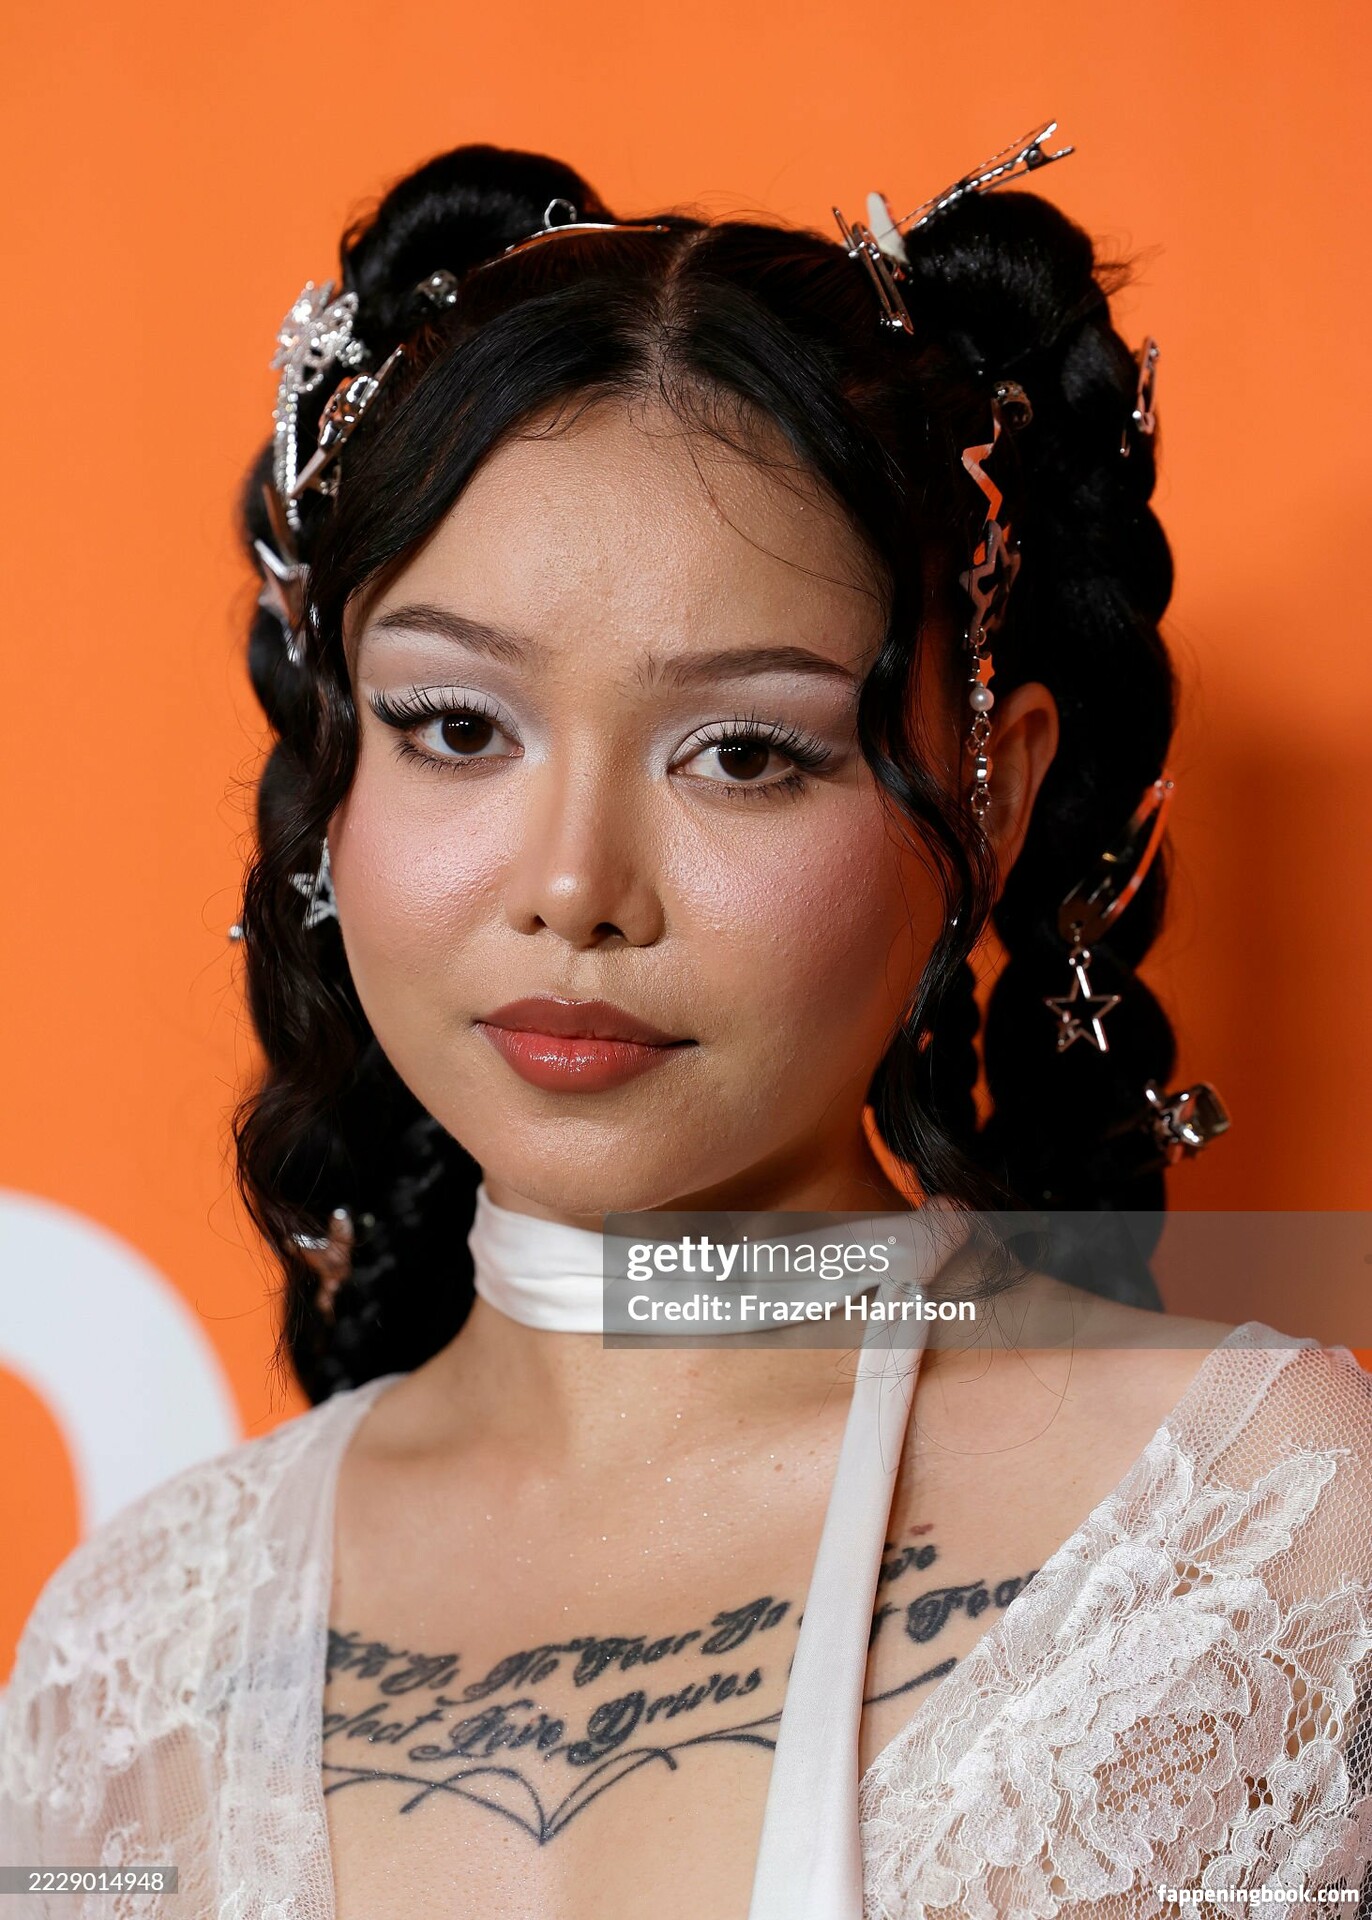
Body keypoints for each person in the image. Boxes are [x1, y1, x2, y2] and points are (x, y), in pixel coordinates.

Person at [2, 133, 1370, 1920]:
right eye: (456, 727)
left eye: (742, 752)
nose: (576, 887)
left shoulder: (1267, 1531)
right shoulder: (132, 1651)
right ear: (337, 762)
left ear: (992, 792)